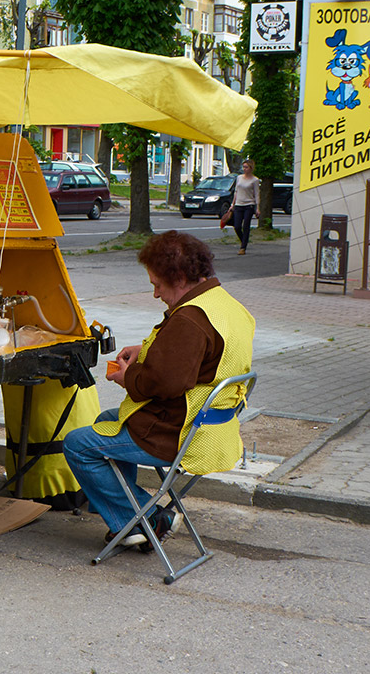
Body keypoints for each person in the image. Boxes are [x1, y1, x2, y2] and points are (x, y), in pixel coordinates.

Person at [62, 231, 255, 549]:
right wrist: (148, 351)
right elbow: (201, 358)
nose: (155, 294)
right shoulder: (223, 304)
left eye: (157, 285)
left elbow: (163, 384)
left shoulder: (189, 321)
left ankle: (146, 519)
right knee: (105, 420)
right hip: (211, 425)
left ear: (179, 278)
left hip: (176, 431)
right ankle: (130, 525)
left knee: (78, 444)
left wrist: (130, 377)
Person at [229, 159, 259, 255]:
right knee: (237, 226)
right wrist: (232, 205)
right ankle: (243, 240)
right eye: (244, 167)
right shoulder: (239, 178)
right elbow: (236, 192)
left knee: (246, 225)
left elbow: (257, 194)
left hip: (249, 205)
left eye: (246, 167)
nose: (244, 169)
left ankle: (243, 247)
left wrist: (257, 208)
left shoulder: (255, 180)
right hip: (238, 204)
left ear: (251, 168)